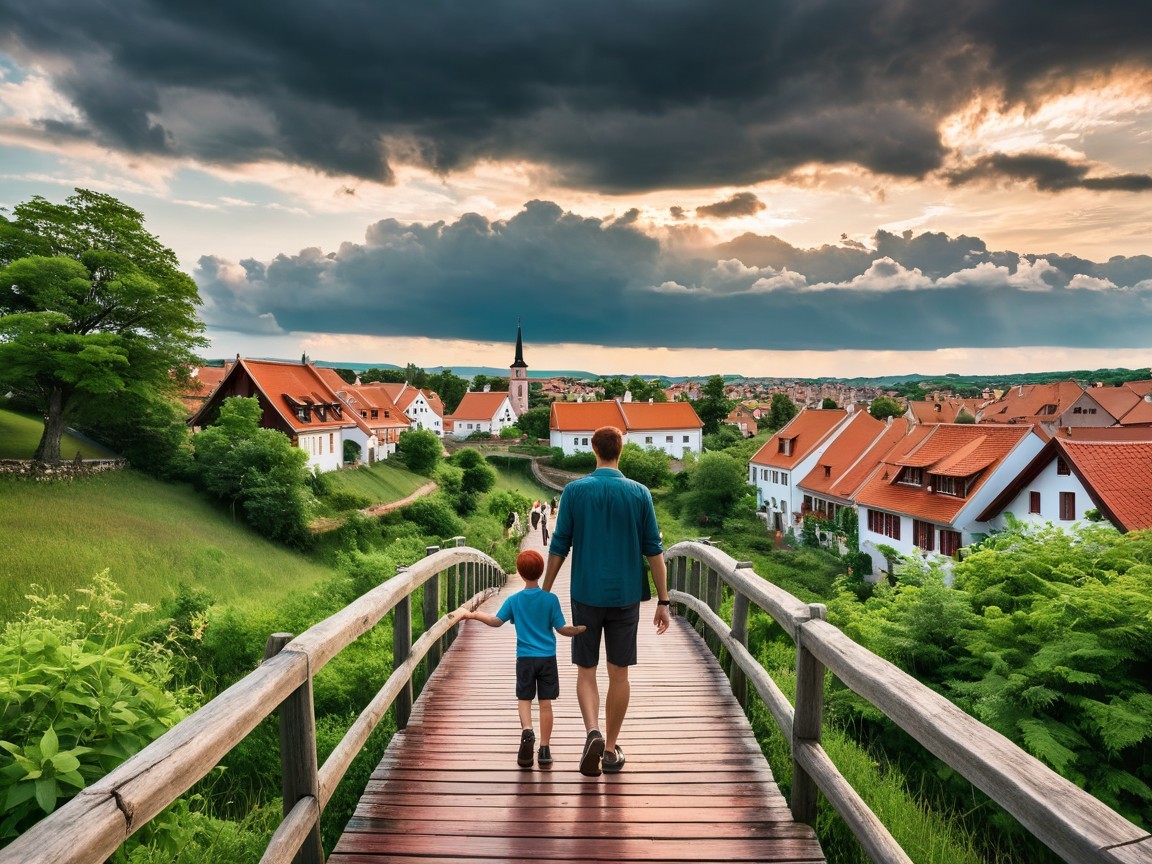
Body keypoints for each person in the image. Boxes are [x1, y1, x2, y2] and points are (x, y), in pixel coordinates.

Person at [544, 426, 670, 777]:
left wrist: (544, 590)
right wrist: (664, 600)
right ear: (621, 451)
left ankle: (592, 732)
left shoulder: (574, 491)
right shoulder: (640, 493)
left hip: (585, 594)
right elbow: (654, 552)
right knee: (619, 672)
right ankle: (611, 749)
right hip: (626, 596)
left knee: (586, 670)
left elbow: (558, 545)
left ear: (593, 450)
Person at [462, 549, 586, 769]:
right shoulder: (550, 599)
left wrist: (472, 615)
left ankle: (527, 730)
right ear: (541, 572)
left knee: (524, 699)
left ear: (519, 572)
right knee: (545, 704)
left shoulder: (514, 600)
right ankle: (545, 749)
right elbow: (561, 628)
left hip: (525, 659)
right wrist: (575, 630)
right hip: (547, 658)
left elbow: (495, 621)